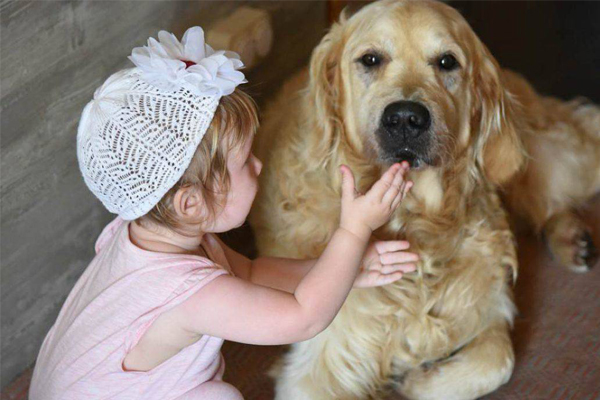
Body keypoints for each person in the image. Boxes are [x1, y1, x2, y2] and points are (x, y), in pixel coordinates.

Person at [29, 26, 417, 400]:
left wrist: (347, 269)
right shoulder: (189, 296)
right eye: (246, 160)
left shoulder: (145, 232)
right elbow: (304, 317)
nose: (260, 166)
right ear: (191, 202)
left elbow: (250, 274)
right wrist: (353, 232)